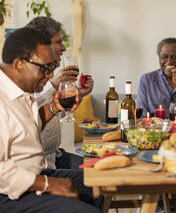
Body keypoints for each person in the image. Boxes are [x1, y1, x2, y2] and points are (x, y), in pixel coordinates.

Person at [0, 28, 102, 212]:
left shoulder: (21, 89)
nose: (49, 76)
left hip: (36, 173)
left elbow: (27, 129)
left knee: (97, 185)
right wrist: (47, 184)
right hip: (8, 193)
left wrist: (53, 108)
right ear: (20, 64)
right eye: (46, 68)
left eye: (52, 68)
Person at [26, 17, 94, 169]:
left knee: (98, 170)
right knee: (94, 181)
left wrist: (79, 94)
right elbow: (29, 115)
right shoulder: (22, 75)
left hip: (55, 156)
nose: (63, 48)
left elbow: (58, 113)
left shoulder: (45, 72)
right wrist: (53, 85)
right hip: (38, 166)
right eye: (58, 42)